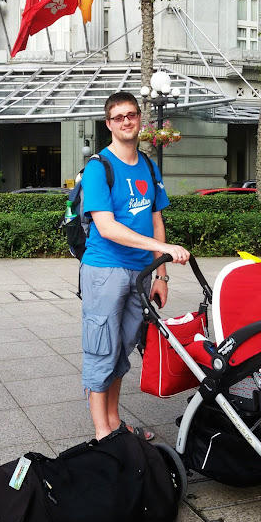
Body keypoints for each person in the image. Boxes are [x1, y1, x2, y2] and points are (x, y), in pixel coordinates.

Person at [81, 91, 190, 441]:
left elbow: (156, 220)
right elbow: (107, 227)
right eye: (118, 117)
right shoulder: (99, 167)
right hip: (105, 271)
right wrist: (163, 249)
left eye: (131, 115)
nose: (126, 121)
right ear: (108, 124)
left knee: (123, 349)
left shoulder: (148, 165)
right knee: (101, 349)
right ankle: (103, 435)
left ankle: (114, 422)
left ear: (140, 118)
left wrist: (161, 274)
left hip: (141, 273)